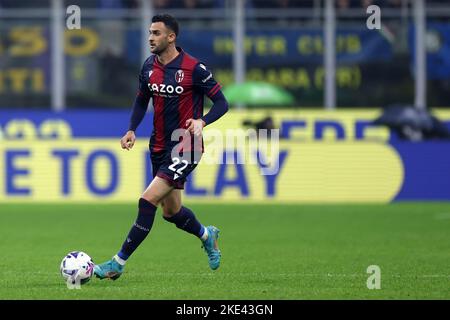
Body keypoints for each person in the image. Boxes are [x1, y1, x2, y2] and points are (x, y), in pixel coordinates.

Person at [94, 14, 229, 280]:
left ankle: (117, 263)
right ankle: (207, 235)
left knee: (147, 200)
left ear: (171, 37)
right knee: (172, 212)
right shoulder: (148, 67)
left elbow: (223, 104)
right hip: (157, 146)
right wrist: (131, 128)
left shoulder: (195, 69)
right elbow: (141, 100)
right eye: (149, 33)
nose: (150, 38)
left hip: (187, 145)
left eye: (156, 33)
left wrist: (203, 121)